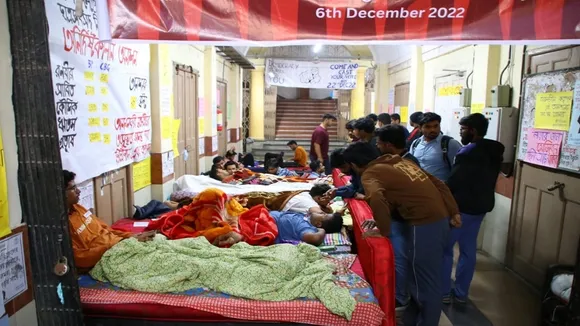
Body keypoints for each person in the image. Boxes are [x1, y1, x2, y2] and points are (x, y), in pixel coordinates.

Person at [342, 142, 460, 326]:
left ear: (354, 165)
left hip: (423, 224)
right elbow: (438, 183)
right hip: (438, 220)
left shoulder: (370, 173)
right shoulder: (399, 161)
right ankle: (411, 320)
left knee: (425, 285)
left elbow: (377, 198)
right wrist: (454, 212)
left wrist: (383, 230)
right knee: (420, 280)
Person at [442, 113, 504, 304]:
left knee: (445, 249)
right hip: (480, 206)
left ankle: (443, 292)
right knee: (468, 250)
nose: (460, 132)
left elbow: (455, 181)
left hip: (461, 208)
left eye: (462, 129)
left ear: (473, 131)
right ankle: (461, 294)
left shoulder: (468, 153)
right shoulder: (493, 150)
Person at [64, 170, 155, 271]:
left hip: (117, 244)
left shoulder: (78, 208)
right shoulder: (62, 226)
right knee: (156, 260)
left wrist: (131, 236)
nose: (78, 191)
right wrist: (119, 243)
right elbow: (81, 258)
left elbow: (107, 229)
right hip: (106, 256)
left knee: (157, 242)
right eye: (72, 188)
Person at [374, 124, 420, 309]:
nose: (377, 147)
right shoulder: (396, 160)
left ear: (389, 145)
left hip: (402, 219)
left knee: (400, 257)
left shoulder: (408, 163)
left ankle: (400, 298)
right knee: (399, 256)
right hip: (397, 217)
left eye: (379, 143)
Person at [409, 112, 462, 182]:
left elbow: (459, 171)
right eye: (428, 127)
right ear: (420, 128)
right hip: (420, 188)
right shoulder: (416, 143)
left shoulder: (449, 144)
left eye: (436, 126)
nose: (432, 130)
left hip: (441, 190)